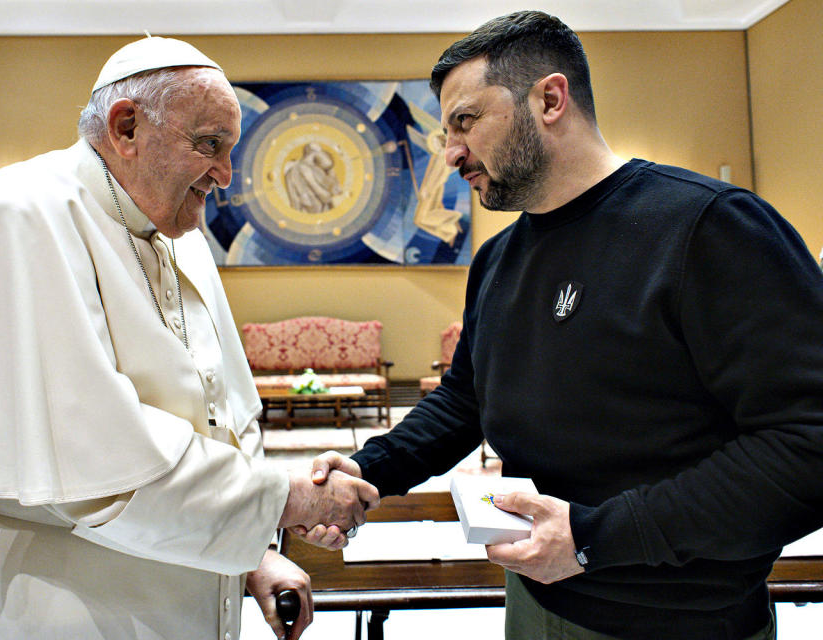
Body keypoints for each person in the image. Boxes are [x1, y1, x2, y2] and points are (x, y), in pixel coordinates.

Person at [302, 11, 823, 640]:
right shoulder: (498, 258)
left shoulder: (710, 228)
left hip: (681, 620)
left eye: (466, 121)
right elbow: (468, 397)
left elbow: (806, 444)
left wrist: (592, 538)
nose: (452, 152)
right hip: (535, 599)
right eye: (446, 131)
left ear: (550, 98)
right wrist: (373, 468)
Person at [0, 37, 379, 640]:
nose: (225, 175)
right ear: (127, 126)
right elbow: (92, 463)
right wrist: (285, 499)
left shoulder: (176, 235)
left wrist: (250, 556)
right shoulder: (23, 213)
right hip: (30, 602)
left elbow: (213, 418)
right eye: (210, 144)